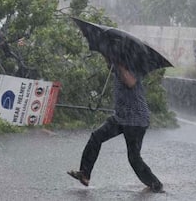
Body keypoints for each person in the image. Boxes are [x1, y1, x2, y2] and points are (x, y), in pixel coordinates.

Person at [67, 60, 164, 193]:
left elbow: (130, 82)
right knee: (96, 137)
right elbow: (111, 69)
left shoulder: (133, 64)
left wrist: (119, 64)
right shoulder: (119, 64)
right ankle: (85, 174)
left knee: (134, 158)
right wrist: (111, 62)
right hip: (120, 117)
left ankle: (155, 184)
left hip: (135, 119)